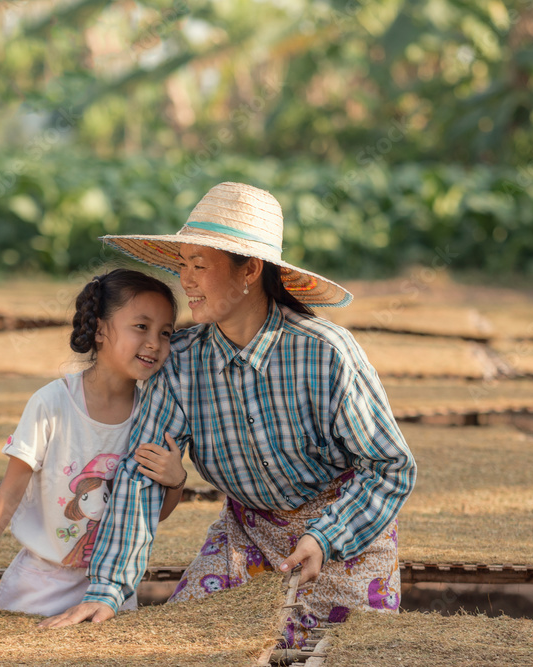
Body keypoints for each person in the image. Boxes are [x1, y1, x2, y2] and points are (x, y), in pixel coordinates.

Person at [41, 182, 416, 647]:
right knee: (183, 646)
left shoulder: (326, 354)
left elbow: (390, 467)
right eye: (182, 266)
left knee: (342, 654)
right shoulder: (178, 361)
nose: (186, 281)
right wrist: (108, 589)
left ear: (250, 270)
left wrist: (326, 537)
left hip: (345, 539)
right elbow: (141, 475)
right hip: (247, 538)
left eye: (199, 265)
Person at [0, 269, 187, 618]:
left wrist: (176, 481)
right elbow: (9, 494)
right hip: (38, 585)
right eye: (141, 327)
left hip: (112, 591)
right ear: (101, 329)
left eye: (166, 333)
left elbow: (152, 515)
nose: (155, 343)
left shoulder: (153, 416)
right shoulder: (52, 404)